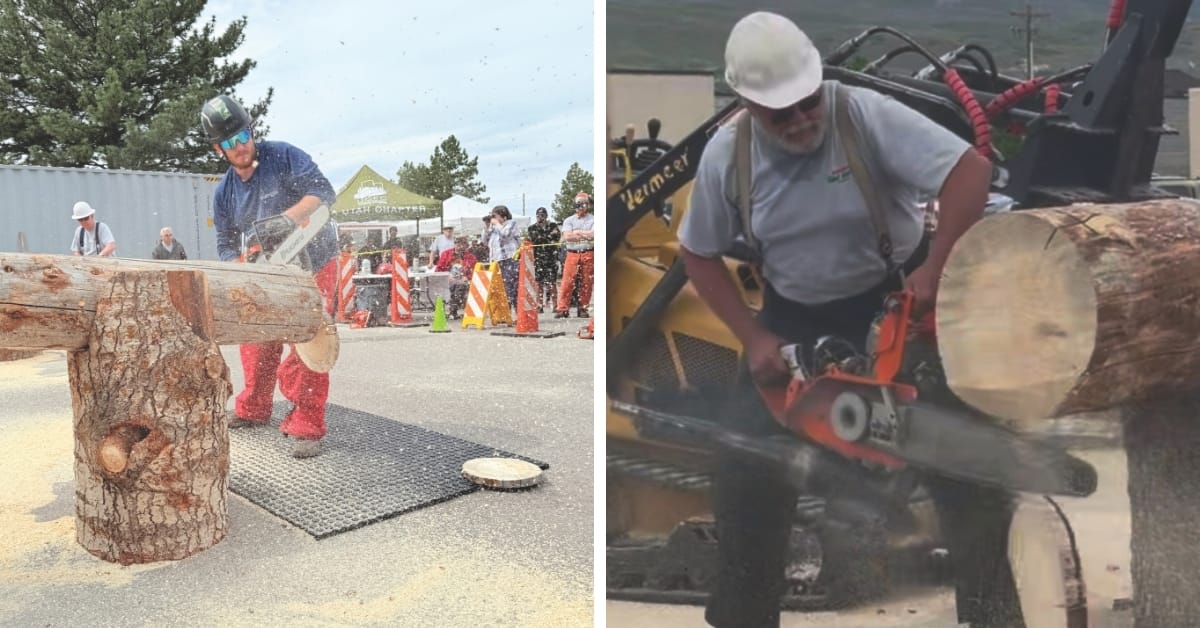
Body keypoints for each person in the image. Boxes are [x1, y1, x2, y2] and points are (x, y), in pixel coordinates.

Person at [677, 12, 1003, 628]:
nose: (801, 121)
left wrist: (933, 270)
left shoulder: (861, 114)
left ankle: (994, 615)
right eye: (781, 114)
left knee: (972, 474)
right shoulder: (728, 153)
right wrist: (754, 338)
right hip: (793, 318)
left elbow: (970, 172)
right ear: (746, 102)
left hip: (894, 305)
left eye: (806, 105)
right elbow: (697, 251)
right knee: (746, 472)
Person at [202, 94, 339, 460]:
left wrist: (289, 218)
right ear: (219, 149)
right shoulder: (224, 193)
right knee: (256, 342)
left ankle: (307, 423)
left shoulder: (282, 155)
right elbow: (226, 244)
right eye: (230, 142)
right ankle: (254, 406)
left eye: (243, 135)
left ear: (252, 130)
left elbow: (324, 193)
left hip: (314, 260)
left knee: (307, 340)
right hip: (266, 272)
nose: (240, 146)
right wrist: (241, 268)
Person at [555, 192, 594, 319]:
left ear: (587, 205)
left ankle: (583, 308)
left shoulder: (594, 219)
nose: (580, 207)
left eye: (583, 204)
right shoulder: (568, 220)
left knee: (586, 282)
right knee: (567, 281)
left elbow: (594, 235)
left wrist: (577, 232)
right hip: (572, 254)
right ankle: (562, 308)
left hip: (588, 252)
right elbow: (568, 237)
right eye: (578, 204)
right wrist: (584, 234)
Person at [485, 205, 521, 310]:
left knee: (511, 287)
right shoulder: (494, 227)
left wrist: (497, 224)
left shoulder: (511, 223)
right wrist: (487, 227)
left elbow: (506, 235)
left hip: (509, 260)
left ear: (503, 216)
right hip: (496, 261)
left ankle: (517, 313)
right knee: (500, 289)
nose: (493, 219)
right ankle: (505, 314)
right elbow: (484, 241)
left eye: (495, 216)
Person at [527, 207, 561, 312]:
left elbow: (557, 237)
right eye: (538, 215)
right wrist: (549, 235)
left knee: (552, 282)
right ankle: (539, 305)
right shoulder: (532, 228)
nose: (540, 217)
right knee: (539, 283)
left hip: (551, 257)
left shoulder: (553, 225)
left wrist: (545, 237)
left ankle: (555, 305)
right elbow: (535, 239)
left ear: (546, 216)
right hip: (538, 258)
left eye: (542, 215)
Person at [435, 236, 478, 318]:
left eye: (462, 244)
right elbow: (438, 269)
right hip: (448, 279)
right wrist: (446, 275)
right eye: (457, 244)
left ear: (466, 246)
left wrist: (467, 277)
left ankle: (453, 310)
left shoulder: (471, 257)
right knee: (455, 285)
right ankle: (453, 311)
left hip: (463, 280)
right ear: (454, 244)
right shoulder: (446, 254)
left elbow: (474, 271)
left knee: (460, 285)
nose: (459, 246)